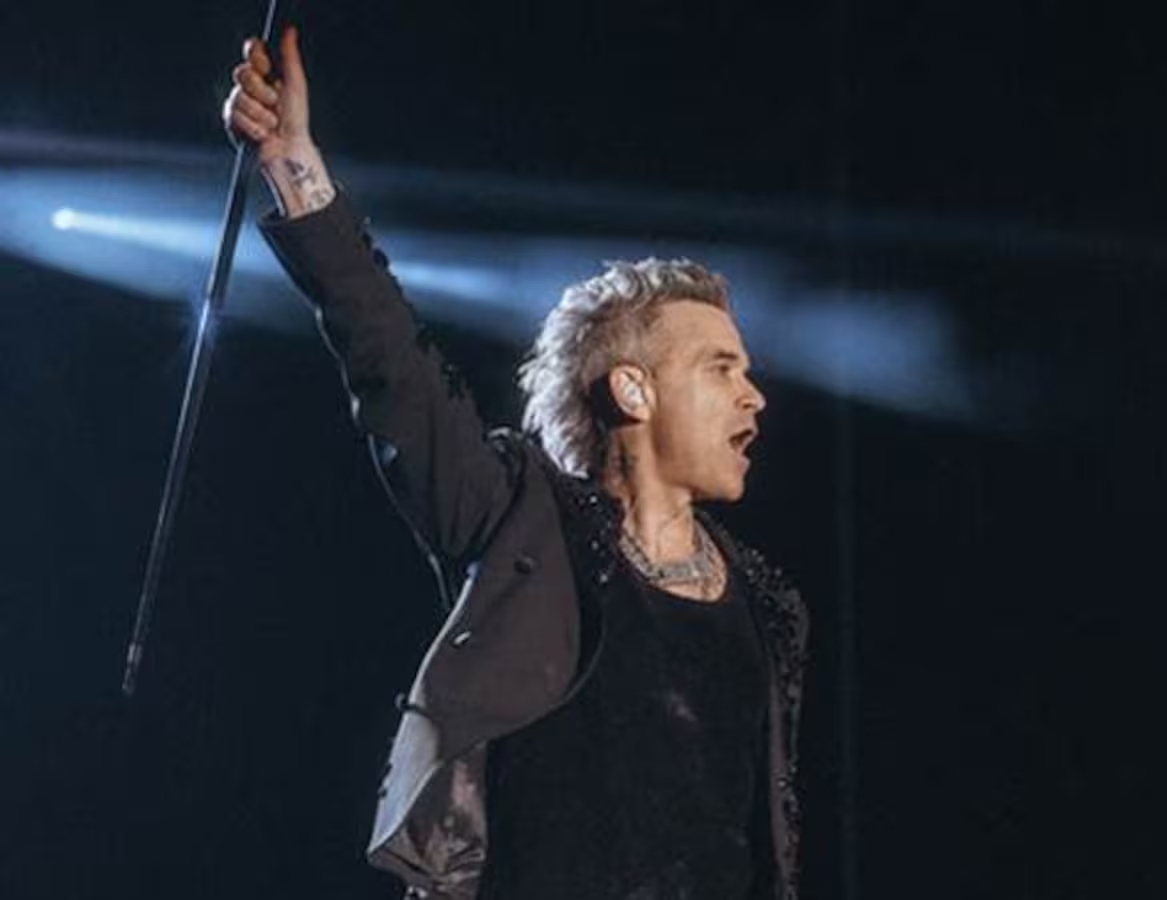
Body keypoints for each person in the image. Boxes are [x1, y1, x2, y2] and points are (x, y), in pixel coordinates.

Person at [223, 26, 809, 900]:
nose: (753, 396)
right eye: (722, 368)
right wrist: (294, 167)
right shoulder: (524, 524)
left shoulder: (770, 607)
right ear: (634, 390)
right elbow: (398, 370)